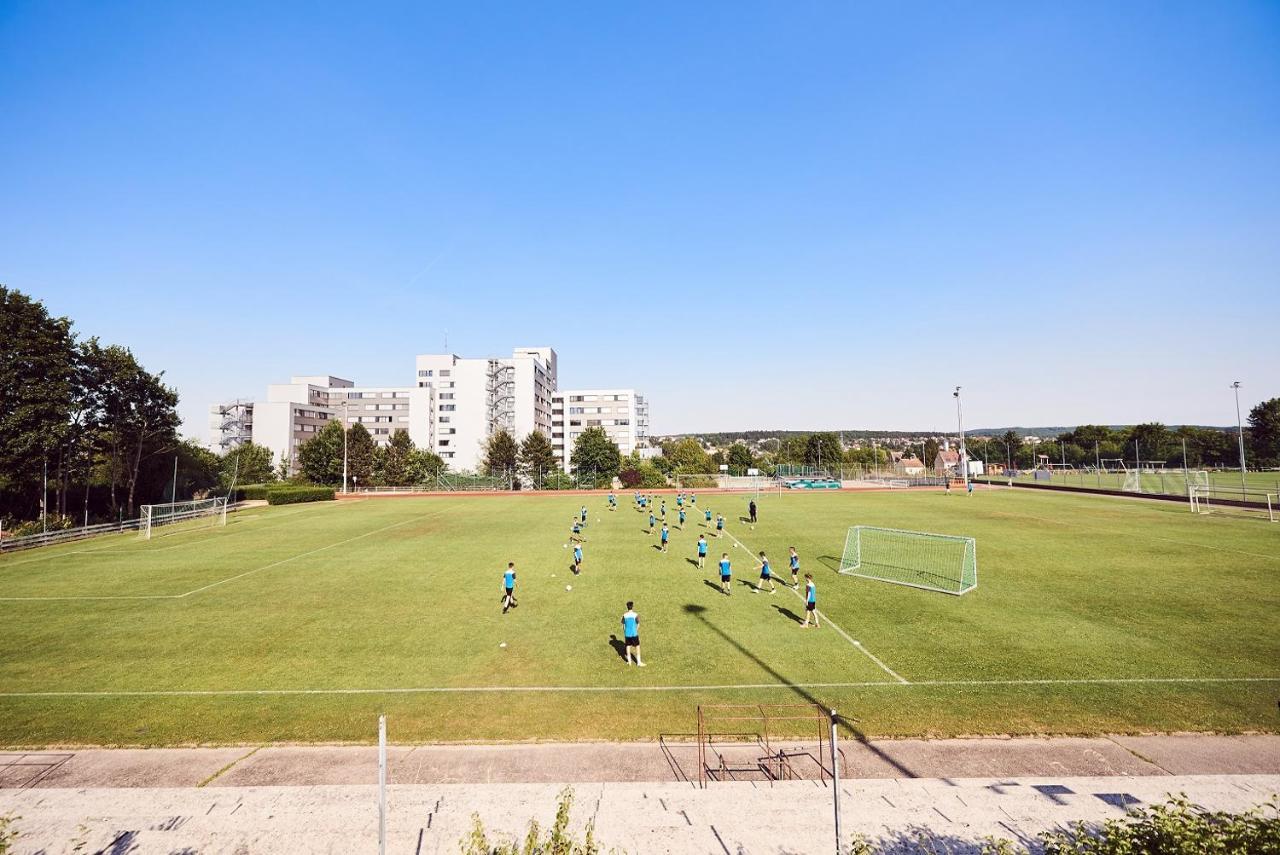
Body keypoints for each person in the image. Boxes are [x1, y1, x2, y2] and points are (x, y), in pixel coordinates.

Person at [622, 601, 645, 666]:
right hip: (634, 633)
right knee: (637, 647)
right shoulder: (635, 615)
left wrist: (625, 632)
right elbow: (638, 624)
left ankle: (629, 662)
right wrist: (635, 630)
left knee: (628, 646)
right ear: (632, 606)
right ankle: (639, 662)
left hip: (627, 634)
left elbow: (623, 626)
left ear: (627, 607)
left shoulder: (624, 615)